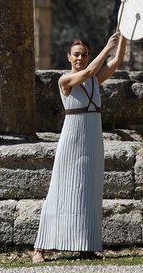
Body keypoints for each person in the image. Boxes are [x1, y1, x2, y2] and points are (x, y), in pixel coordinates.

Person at [32, 31, 127, 263]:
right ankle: (39, 247)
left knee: (89, 190)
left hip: (93, 138)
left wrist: (124, 37)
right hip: (72, 138)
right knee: (60, 190)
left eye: (84, 54)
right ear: (68, 56)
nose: (80, 58)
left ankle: (86, 246)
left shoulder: (95, 80)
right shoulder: (64, 80)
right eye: (76, 54)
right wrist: (107, 48)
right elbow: (87, 72)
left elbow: (116, 62)